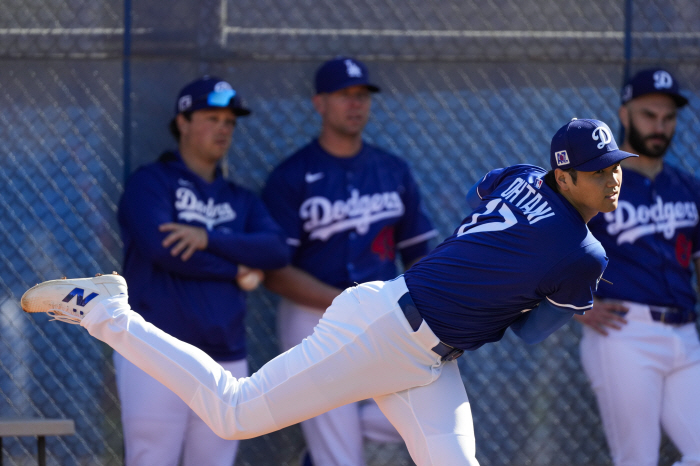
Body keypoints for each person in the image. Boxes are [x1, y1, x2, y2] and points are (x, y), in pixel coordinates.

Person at [22, 117, 635, 466]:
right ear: (564, 174)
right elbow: (530, 333)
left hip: (423, 352)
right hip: (384, 332)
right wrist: (521, 280)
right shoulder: (582, 254)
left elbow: (488, 185)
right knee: (232, 413)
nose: (614, 178)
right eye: (601, 169)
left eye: (616, 165)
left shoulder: (526, 177)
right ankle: (105, 310)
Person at [261, 56, 437, 466]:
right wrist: (343, 300)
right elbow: (275, 271)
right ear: (319, 103)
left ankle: (322, 444)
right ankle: (327, 446)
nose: (355, 104)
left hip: (385, 315)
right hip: (312, 318)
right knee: (341, 457)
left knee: (424, 414)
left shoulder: (393, 170)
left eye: (361, 96)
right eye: (344, 96)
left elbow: (419, 256)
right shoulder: (292, 176)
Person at [113, 76, 290, 466]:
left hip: (224, 354)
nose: (223, 129)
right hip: (154, 348)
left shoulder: (240, 199)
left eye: (229, 122)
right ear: (183, 121)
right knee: (150, 459)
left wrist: (207, 238)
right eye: (212, 118)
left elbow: (277, 250)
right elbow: (164, 251)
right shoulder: (150, 183)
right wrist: (237, 268)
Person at [575, 69, 700, 466]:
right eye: (649, 115)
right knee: (637, 461)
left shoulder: (688, 186)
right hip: (624, 334)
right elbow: (544, 250)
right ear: (624, 115)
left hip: (687, 335)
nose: (659, 126)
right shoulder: (598, 184)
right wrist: (577, 305)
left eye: (668, 118)